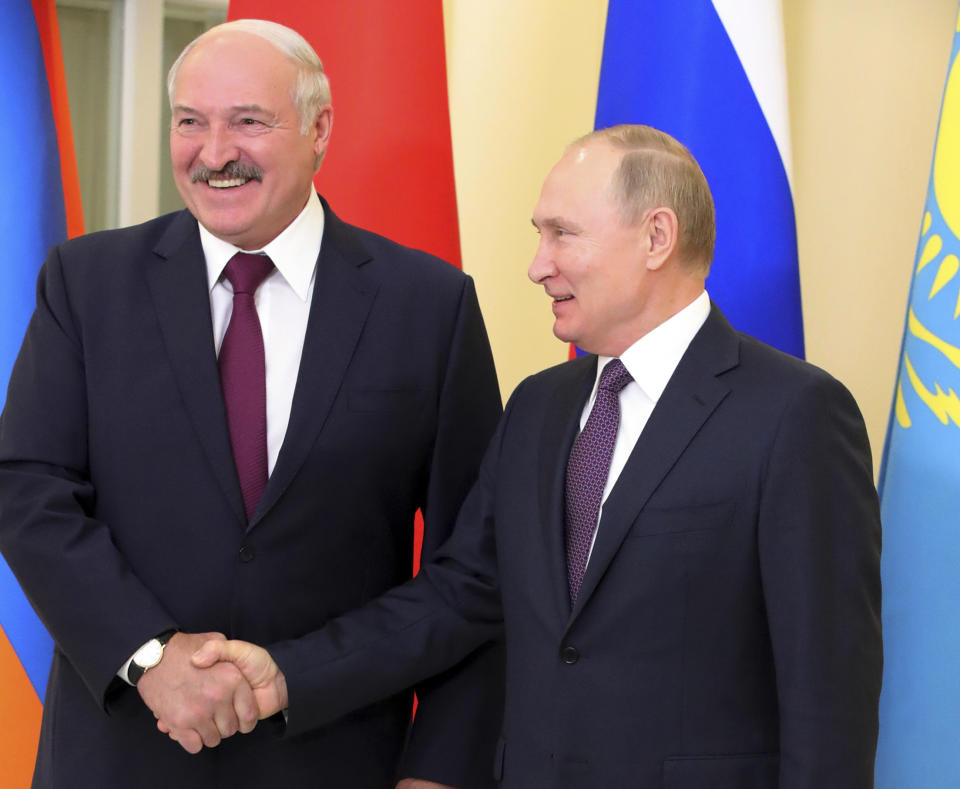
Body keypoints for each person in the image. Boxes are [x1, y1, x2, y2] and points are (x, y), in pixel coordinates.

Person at [194, 124, 884, 788]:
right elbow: (459, 595)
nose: (537, 265)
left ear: (656, 237)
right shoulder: (538, 408)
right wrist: (288, 674)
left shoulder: (794, 415)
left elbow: (829, 698)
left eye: (563, 234)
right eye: (539, 235)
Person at [0, 18, 503, 789]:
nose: (214, 152)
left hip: (338, 759)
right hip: (119, 758)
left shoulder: (429, 307)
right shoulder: (85, 283)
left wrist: (436, 768)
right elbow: (28, 492)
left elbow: (473, 566)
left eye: (247, 122)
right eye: (189, 122)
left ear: (319, 129)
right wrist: (151, 656)